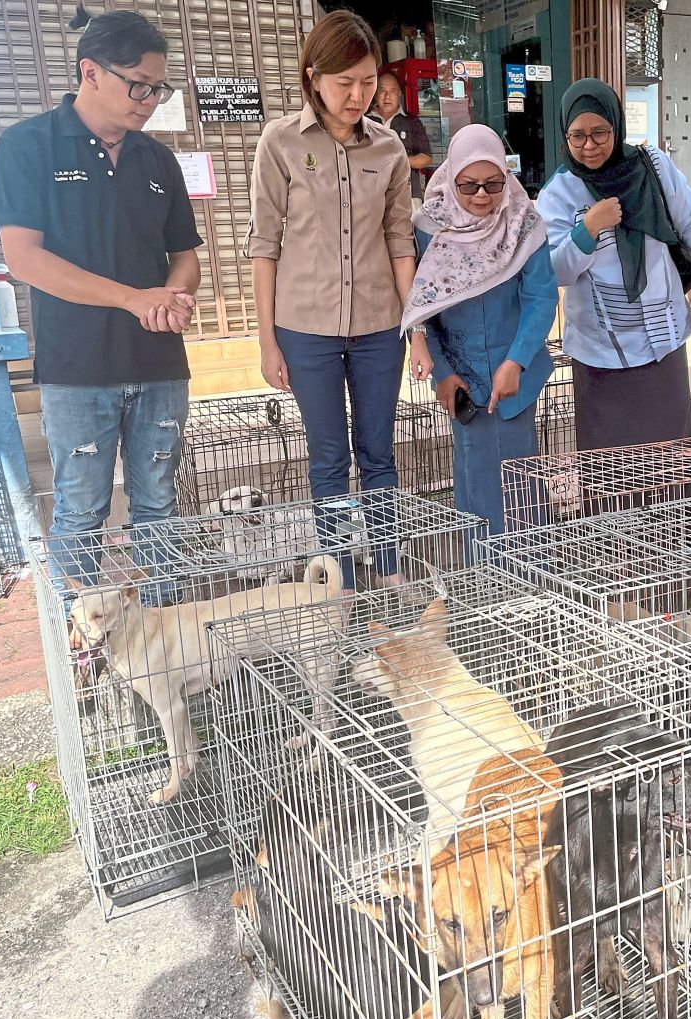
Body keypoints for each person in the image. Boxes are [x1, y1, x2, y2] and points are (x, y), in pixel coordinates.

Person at [0, 8, 202, 584]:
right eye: (137, 84)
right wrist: (133, 298)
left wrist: (172, 297)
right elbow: (25, 258)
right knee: (82, 512)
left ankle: (165, 651)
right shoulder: (29, 145)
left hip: (160, 365)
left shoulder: (157, 160)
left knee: (159, 509)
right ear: (90, 72)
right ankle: (83, 657)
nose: (148, 99)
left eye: (158, 88)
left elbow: (184, 253)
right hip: (78, 370)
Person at [249, 11, 428, 588]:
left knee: (378, 454)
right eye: (345, 82)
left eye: (368, 81)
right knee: (328, 459)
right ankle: (339, 579)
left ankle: (389, 567)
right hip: (305, 330)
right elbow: (264, 245)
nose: (359, 95)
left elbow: (401, 242)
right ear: (313, 78)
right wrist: (267, 341)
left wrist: (417, 328)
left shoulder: (390, 150)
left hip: (380, 326)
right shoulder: (279, 143)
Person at [536, 78, 691, 452]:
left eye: (600, 132)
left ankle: (674, 514)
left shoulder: (653, 166)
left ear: (616, 125)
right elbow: (553, 272)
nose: (589, 145)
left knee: (671, 453)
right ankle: (615, 515)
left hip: (663, 338)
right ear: (565, 135)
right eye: (578, 136)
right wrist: (587, 230)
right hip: (600, 351)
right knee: (610, 460)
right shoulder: (558, 192)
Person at [400, 124, 557, 535]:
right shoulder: (430, 228)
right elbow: (423, 307)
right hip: (462, 380)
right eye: (469, 186)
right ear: (451, 180)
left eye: (493, 183)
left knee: (521, 482)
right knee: (475, 480)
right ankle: (483, 582)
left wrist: (517, 361)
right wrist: (443, 373)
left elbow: (541, 298)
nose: (483, 195)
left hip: (515, 377)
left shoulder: (523, 224)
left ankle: (529, 580)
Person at [370, 71, 432, 209]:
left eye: (392, 91)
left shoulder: (411, 122)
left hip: (408, 193)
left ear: (399, 94)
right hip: (371, 193)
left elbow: (426, 159)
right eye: (382, 91)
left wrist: (396, 160)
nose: (387, 96)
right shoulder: (364, 121)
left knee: (406, 230)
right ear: (375, 93)